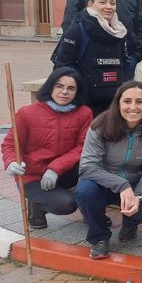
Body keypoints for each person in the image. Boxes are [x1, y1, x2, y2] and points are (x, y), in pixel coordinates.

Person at [75, 81, 142, 259]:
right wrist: (122, 185)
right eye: (127, 101)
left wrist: (138, 196)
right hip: (102, 183)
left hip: (135, 185)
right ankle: (99, 237)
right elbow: (87, 167)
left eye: (139, 102)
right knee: (85, 191)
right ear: (118, 103)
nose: (133, 107)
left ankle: (130, 223)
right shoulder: (100, 126)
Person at [2, 67, 93, 229]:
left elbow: (82, 146)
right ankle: (37, 204)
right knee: (67, 205)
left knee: (94, 167)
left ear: (77, 92)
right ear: (50, 86)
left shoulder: (84, 113)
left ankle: (92, 211)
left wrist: (55, 168)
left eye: (71, 88)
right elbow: (10, 144)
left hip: (65, 171)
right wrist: (11, 162)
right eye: (59, 86)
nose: (64, 92)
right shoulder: (27, 113)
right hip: (33, 175)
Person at [54, 0, 129, 116]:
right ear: (90, 4)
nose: (108, 6)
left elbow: (125, 62)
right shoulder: (78, 29)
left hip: (114, 105)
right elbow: (63, 65)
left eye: (112, 3)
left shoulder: (119, 32)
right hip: (85, 104)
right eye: (102, 2)